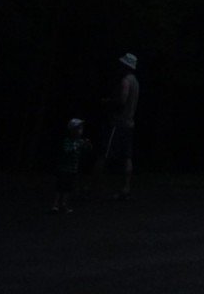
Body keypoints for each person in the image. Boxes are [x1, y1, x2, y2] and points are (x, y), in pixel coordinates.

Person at [100, 52, 140, 201]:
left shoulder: (125, 81)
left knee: (105, 152)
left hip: (119, 123)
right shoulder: (136, 82)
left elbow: (122, 101)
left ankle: (97, 185)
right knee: (127, 156)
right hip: (130, 123)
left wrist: (108, 102)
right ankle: (126, 187)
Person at [51, 118, 91, 212]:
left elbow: (87, 151)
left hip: (73, 169)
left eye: (81, 128)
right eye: (78, 128)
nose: (80, 130)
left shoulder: (80, 141)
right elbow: (67, 151)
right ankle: (55, 205)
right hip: (63, 169)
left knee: (68, 188)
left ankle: (64, 204)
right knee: (60, 187)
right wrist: (78, 146)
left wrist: (87, 145)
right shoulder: (68, 141)